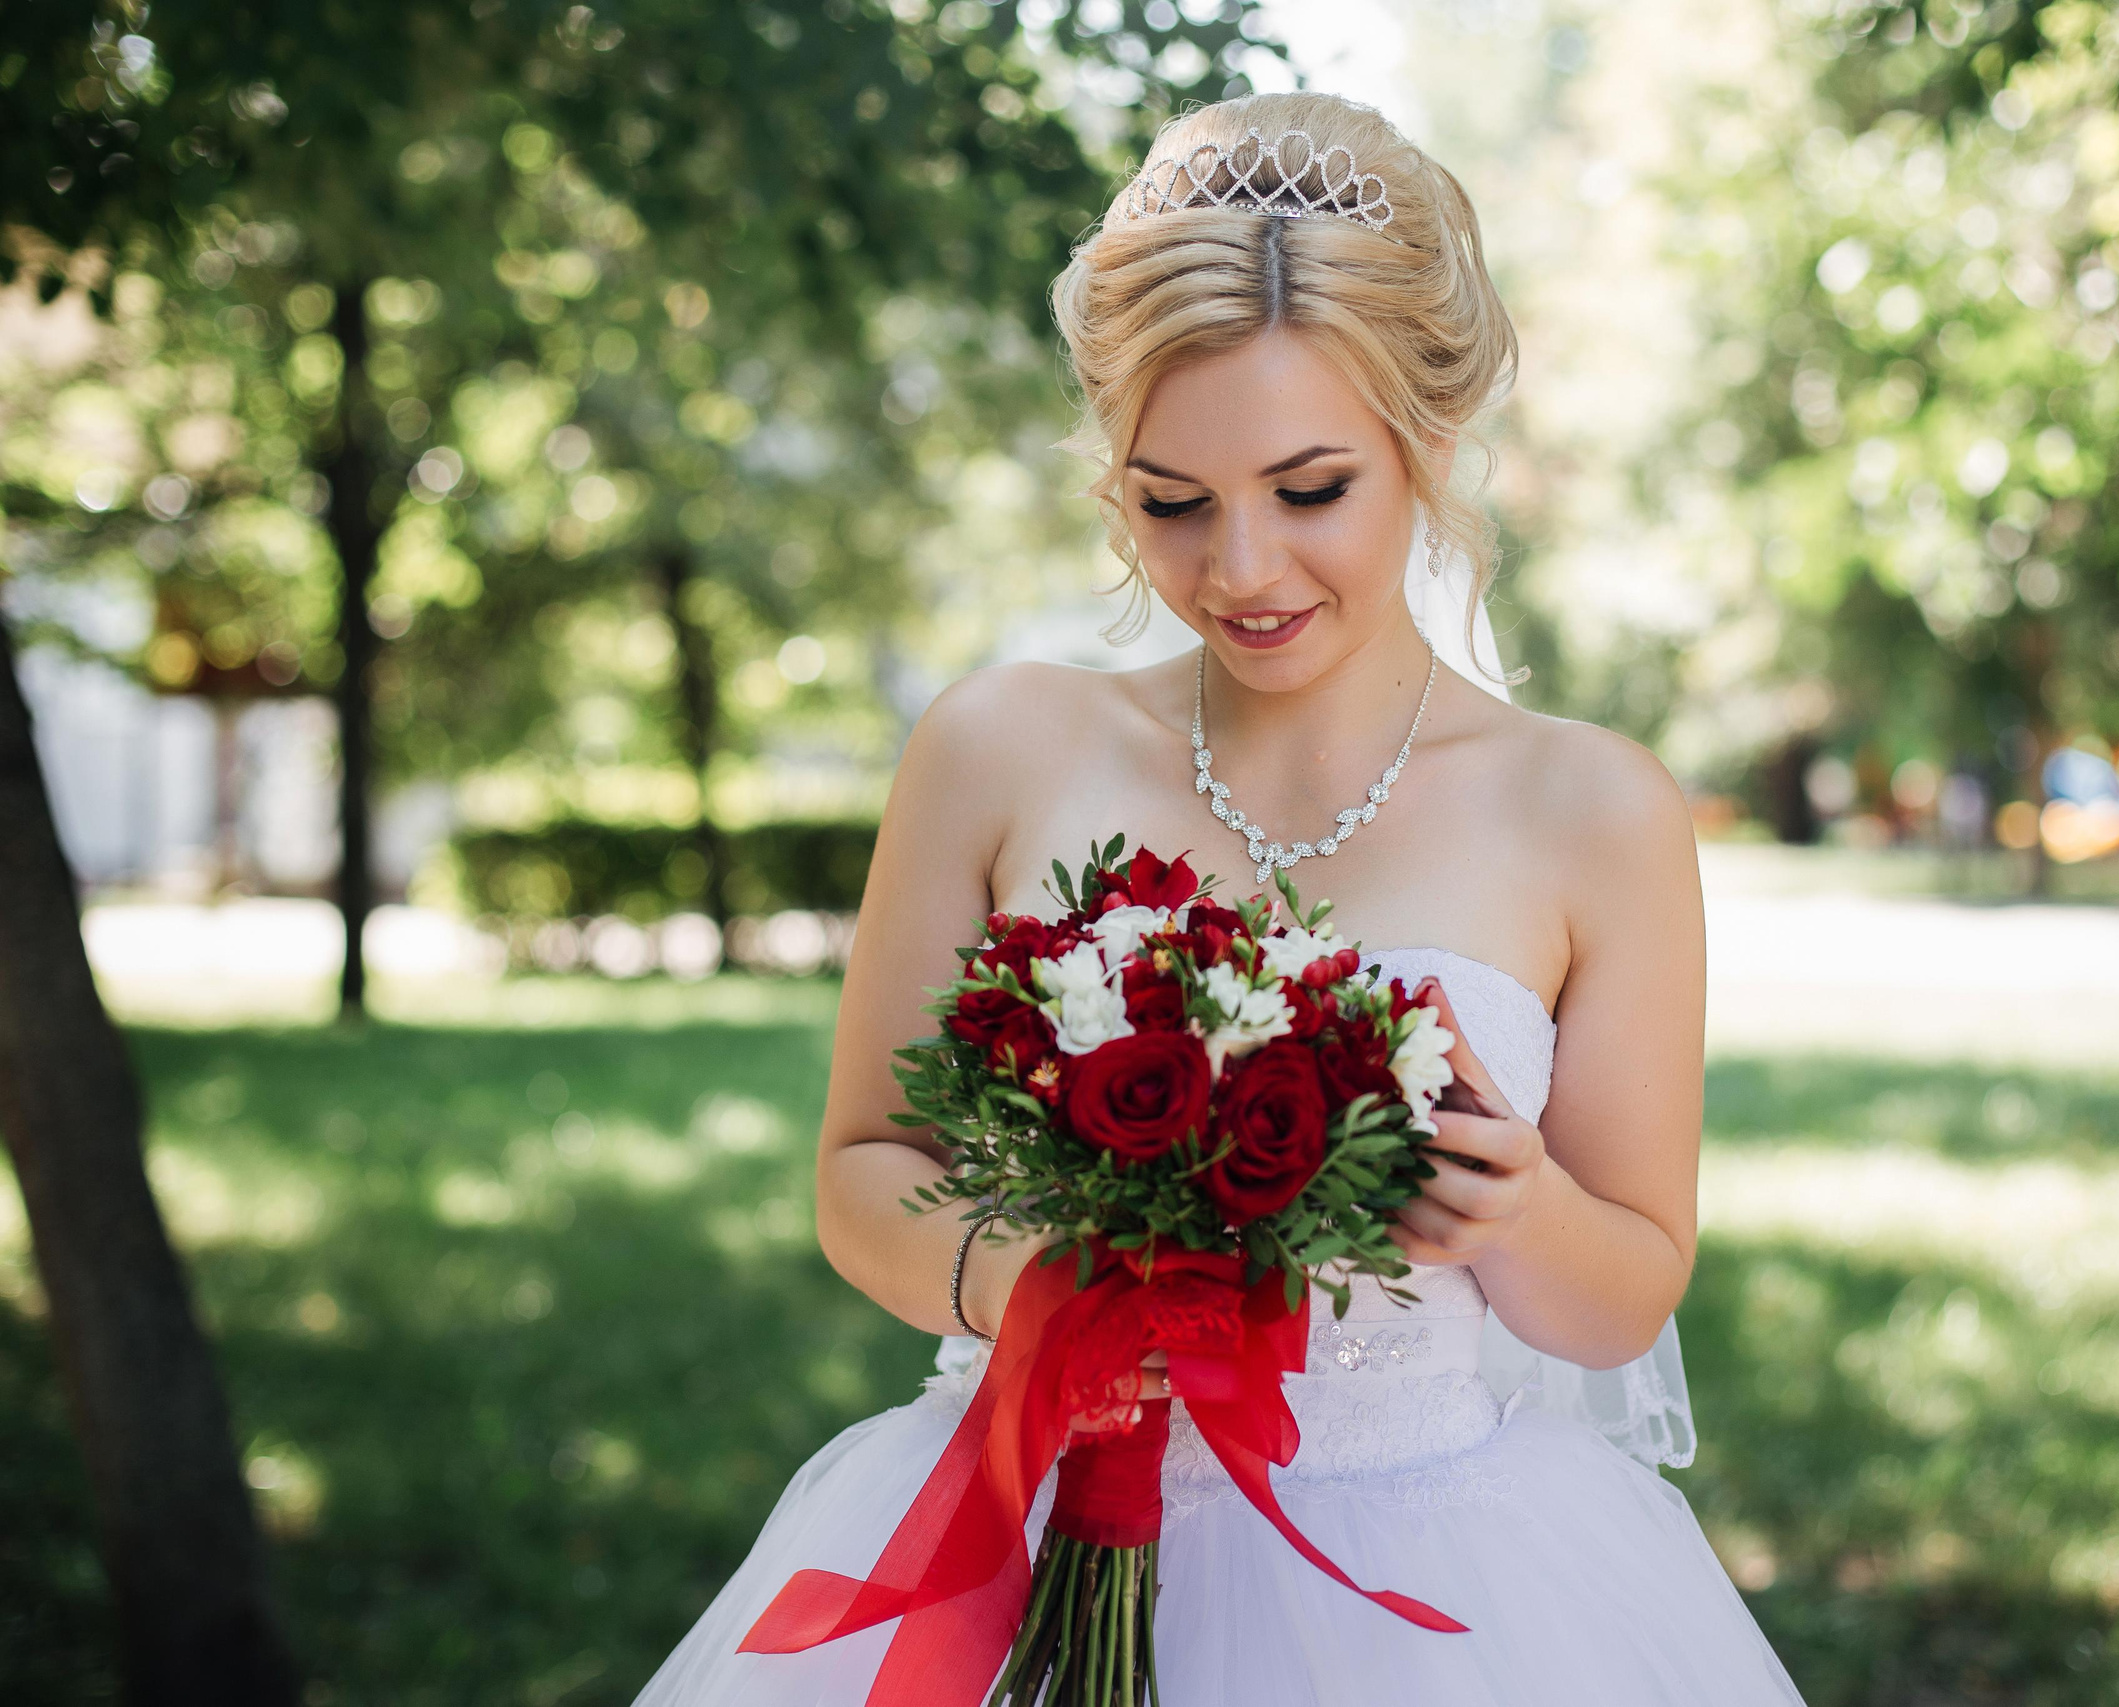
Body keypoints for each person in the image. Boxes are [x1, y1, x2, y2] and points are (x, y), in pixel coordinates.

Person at [633, 91, 1805, 1706]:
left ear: (1432, 443)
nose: (1242, 569)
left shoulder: (1588, 808)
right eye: (1171, 501)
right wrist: (1047, 1280)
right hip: (1020, 1524)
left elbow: (1629, 1292)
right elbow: (857, 1174)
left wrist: (1517, 1212)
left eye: (1310, 488)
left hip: (1427, 1575)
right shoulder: (1001, 747)